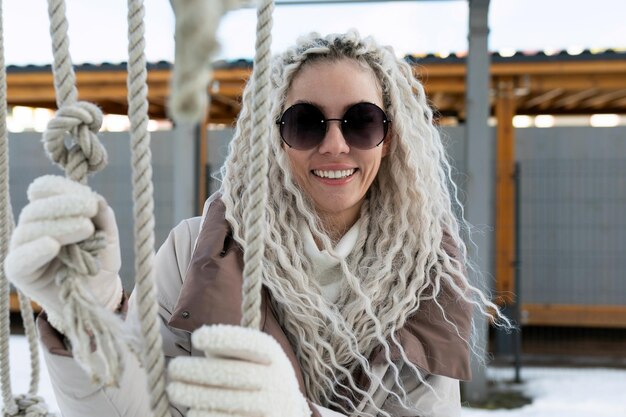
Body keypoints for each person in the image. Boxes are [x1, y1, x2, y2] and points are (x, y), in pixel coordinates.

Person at [5, 31, 506, 417]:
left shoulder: (424, 276)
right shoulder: (196, 251)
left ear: (390, 139)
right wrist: (88, 314)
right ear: (275, 138)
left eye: (362, 121)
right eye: (305, 122)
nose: (334, 146)